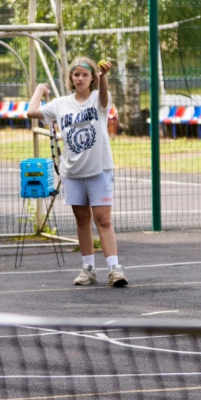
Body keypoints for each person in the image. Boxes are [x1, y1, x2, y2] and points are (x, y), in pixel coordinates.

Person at [26, 57, 127, 288]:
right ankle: (88, 269)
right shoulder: (60, 104)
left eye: (85, 74)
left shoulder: (97, 100)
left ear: (92, 78)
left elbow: (103, 97)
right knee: (82, 220)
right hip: (72, 172)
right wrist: (40, 90)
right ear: (71, 78)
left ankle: (115, 269)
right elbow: (31, 112)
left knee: (103, 219)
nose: (80, 78)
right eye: (76, 74)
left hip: (99, 170)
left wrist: (103, 76)